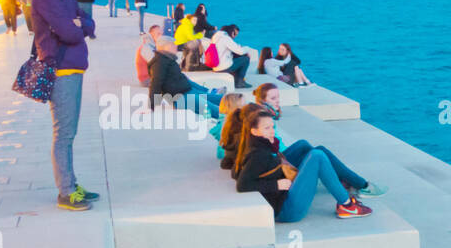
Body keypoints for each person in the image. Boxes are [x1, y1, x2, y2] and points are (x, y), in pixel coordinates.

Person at [31, 0, 98, 211]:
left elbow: (86, 22)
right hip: (61, 69)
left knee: (69, 132)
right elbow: (71, 31)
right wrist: (78, 25)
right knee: (64, 134)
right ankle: (65, 192)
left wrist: (79, 24)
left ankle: (71, 183)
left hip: (73, 67)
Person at [235, 109, 373, 221]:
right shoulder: (258, 154)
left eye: (272, 126)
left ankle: (344, 180)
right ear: (254, 131)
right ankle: (347, 205)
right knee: (317, 156)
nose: (272, 131)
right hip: (287, 209)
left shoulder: (259, 143)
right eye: (266, 128)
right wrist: (276, 184)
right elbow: (242, 185)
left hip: (285, 193)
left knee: (304, 145)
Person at [251, 83, 386, 197]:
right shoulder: (262, 119)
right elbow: (268, 148)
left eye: (278, 97)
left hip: (281, 156)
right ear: (262, 100)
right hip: (278, 162)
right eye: (273, 98)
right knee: (317, 152)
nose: (278, 100)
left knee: (312, 148)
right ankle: (362, 185)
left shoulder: (264, 114)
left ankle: (347, 180)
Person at [147, 39, 226, 119]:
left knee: (216, 99)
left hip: (187, 91)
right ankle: (232, 120)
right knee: (213, 109)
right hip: (180, 98)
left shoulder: (168, 59)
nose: (175, 46)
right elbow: (155, 84)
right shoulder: (159, 63)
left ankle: (237, 101)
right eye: (172, 45)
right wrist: (151, 106)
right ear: (164, 47)